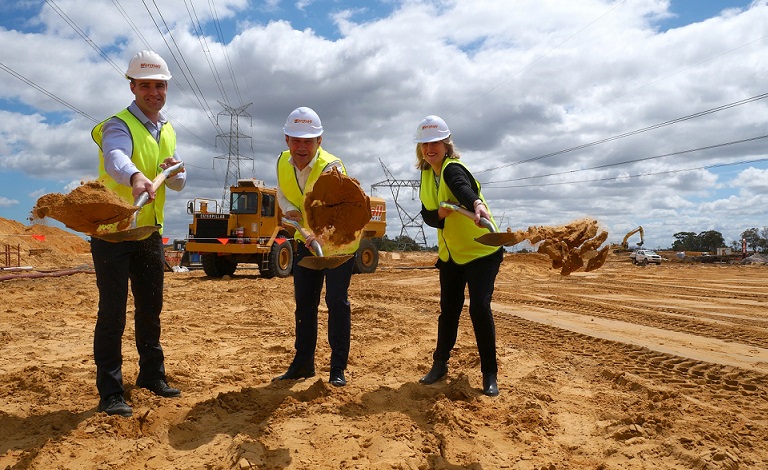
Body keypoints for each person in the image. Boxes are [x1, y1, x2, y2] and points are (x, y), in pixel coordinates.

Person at [90, 50, 186, 417]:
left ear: (166, 89)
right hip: (113, 232)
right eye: (145, 85)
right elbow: (115, 156)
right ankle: (111, 391)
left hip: (147, 231)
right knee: (112, 312)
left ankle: (151, 375)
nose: (153, 92)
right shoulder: (118, 124)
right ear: (132, 87)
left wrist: (175, 173)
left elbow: (176, 183)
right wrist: (133, 176)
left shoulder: (168, 128)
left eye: (159, 85)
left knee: (151, 309)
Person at [415, 115, 503, 397]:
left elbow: (464, 188)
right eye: (425, 144)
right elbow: (427, 215)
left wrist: (476, 204)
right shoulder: (426, 174)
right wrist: (440, 213)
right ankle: (439, 365)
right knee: (449, 311)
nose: (430, 149)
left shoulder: (454, 168)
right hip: (452, 256)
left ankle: (490, 374)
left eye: (436, 143)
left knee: (479, 307)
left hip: (481, 251)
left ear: (446, 144)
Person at [274, 106, 357, 387]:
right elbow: (283, 194)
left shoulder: (332, 167)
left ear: (319, 141)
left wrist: (323, 234)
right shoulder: (281, 161)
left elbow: (342, 212)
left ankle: (337, 368)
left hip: (338, 245)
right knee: (305, 305)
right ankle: (303, 364)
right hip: (305, 243)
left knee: (336, 302)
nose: (301, 147)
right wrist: (290, 211)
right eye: (295, 140)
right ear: (286, 139)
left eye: (308, 141)